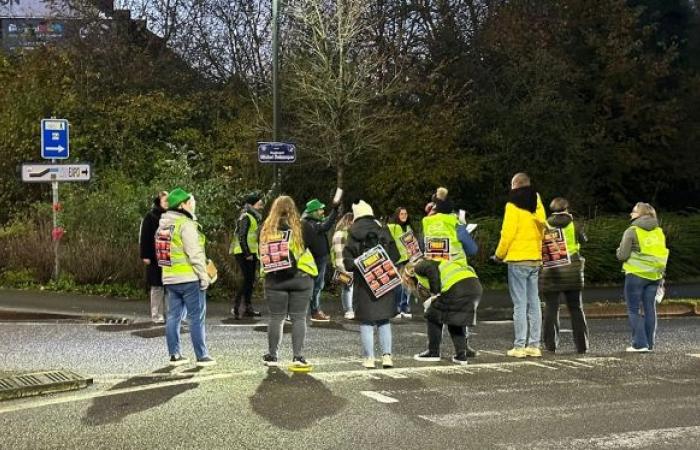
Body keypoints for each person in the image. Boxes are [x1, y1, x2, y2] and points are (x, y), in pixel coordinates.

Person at [158, 188, 216, 367]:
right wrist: (204, 276)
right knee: (196, 317)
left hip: (170, 278)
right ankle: (202, 356)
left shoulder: (162, 226)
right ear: (182, 205)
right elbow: (195, 253)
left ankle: (175, 355)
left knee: (173, 316)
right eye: (190, 203)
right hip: (190, 278)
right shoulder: (185, 224)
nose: (192, 205)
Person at [259, 196, 317, 368]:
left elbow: (260, 254)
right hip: (300, 278)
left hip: (275, 279)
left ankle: (272, 356)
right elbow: (318, 250)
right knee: (299, 318)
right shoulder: (303, 227)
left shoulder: (266, 229)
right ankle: (298, 357)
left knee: (276, 318)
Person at [421, 191, 480, 357]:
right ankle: (463, 349)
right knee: (457, 312)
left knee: (434, 312)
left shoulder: (427, 222)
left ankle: (433, 350)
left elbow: (421, 245)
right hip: (457, 274)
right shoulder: (455, 223)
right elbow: (473, 249)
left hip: (435, 275)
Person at [342, 200, 401, 369]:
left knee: (366, 322)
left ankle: (369, 358)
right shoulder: (383, 229)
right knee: (384, 320)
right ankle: (387, 356)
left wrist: (361, 262)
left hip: (364, 285)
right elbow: (395, 255)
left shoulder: (352, 233)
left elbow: (347, 263)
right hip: (384, 280)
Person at [494, 173, 546, 358]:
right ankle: (534, 345)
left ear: (515, 184)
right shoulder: (537, 203)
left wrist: (499, 254)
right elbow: (542, 228)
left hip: (517, 259)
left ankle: (519, 346)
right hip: (534, 258)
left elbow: (507, 234)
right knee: (534, 303)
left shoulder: (512, 205)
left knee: (520, 304)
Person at [404, 251, 483, 364]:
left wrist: (435, 294)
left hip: (457, 286)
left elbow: (431, 270)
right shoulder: (440, 262)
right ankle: (462, 354)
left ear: (409, 273)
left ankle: (433, 352)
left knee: (432, 315)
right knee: (454, 319)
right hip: (474, 285)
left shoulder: (419, 266)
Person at [616, 202, 669, 353]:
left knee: (633, 309)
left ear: (640, 214)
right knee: (650, 309)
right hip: (654, 275)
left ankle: (639, 344)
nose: (631, 214)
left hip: (636, 275)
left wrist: (618, 251)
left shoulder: (632, 231)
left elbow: (622, 255)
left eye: (633, 211)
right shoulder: (659, 231)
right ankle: (650, 343)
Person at [540, 197, 589, 354]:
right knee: (576, 308)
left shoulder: (545, 225)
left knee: (551, 308)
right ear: (567, 209)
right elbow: (584, 240)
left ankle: (550, 345)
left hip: (552, 269)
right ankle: (582, 345)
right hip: (572, 270)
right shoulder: (574, 225)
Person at [302, 197, 340, 322]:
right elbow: (326, 225)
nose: (322, 212)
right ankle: (315, 312)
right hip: (316, 260)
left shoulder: (310, 222)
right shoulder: (311, 224)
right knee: (317, 286)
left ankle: (311, 311)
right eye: (320, 210)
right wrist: (334, 210)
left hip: (316, 259)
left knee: (314, 286)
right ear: (313, 212)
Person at [230, 192, 264, 319]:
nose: (261, 206)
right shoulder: (246, 216)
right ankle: (236, 308)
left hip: (251, 252)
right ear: (252, 204)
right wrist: (247, 253)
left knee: (250, 281)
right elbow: (242, 236)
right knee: (246, 280)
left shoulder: (253, 216)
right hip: (244, 253)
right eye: (259, 204)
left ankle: (248, 308)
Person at [139, 190, 168, 324]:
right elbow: (144, 236)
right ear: (159, 201)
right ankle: (156, 314)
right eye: (164, 200)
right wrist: (145, 255)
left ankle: (167, 313)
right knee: (156, 286)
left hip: (167, 256)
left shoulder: (170, 216)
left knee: (167, 286)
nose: (167, 203)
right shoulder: (150, 216)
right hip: (154, 256)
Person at [386, 207, 414, 318]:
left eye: (406, 213)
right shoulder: (391, 227)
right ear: (397, 215)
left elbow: (412, 243)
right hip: (396, 260)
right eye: (402, 214)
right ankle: (396, 308)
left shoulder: (408, 227)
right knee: (397, 285)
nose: (404, 215)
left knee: (407, 284)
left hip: (408, 260)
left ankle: (404, 307)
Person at [331, 213, 355, 320]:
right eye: (353, 221)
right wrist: (343, 268)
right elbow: (338, 252)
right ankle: (348, 310)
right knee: (348, 288)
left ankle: (349, 309)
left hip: (346, 265)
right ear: (349, 221)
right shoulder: (341, 234)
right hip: (344, 266)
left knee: (347, 287)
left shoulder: (345, 233)